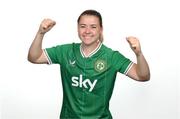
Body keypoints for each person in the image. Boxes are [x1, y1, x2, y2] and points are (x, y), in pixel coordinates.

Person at [28, 9, 150, 119]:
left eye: (93, 27)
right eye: (83, 26)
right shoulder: (65, 51)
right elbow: (34, 57)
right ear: (77, 28)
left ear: (101, 29)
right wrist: (40, 33)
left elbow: (142, 76)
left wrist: (138, 54)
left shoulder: (112, 57)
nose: (87, 31)